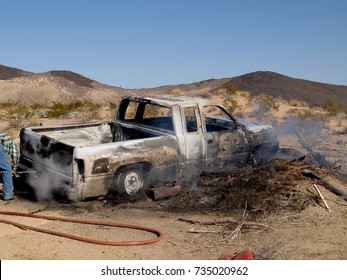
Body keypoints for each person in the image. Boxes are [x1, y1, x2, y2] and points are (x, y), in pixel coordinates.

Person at [0, 132, 19, 201]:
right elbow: (15, 155)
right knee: (6, 170)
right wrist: (14, 169)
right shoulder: (10, 141)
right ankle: (8, 195)